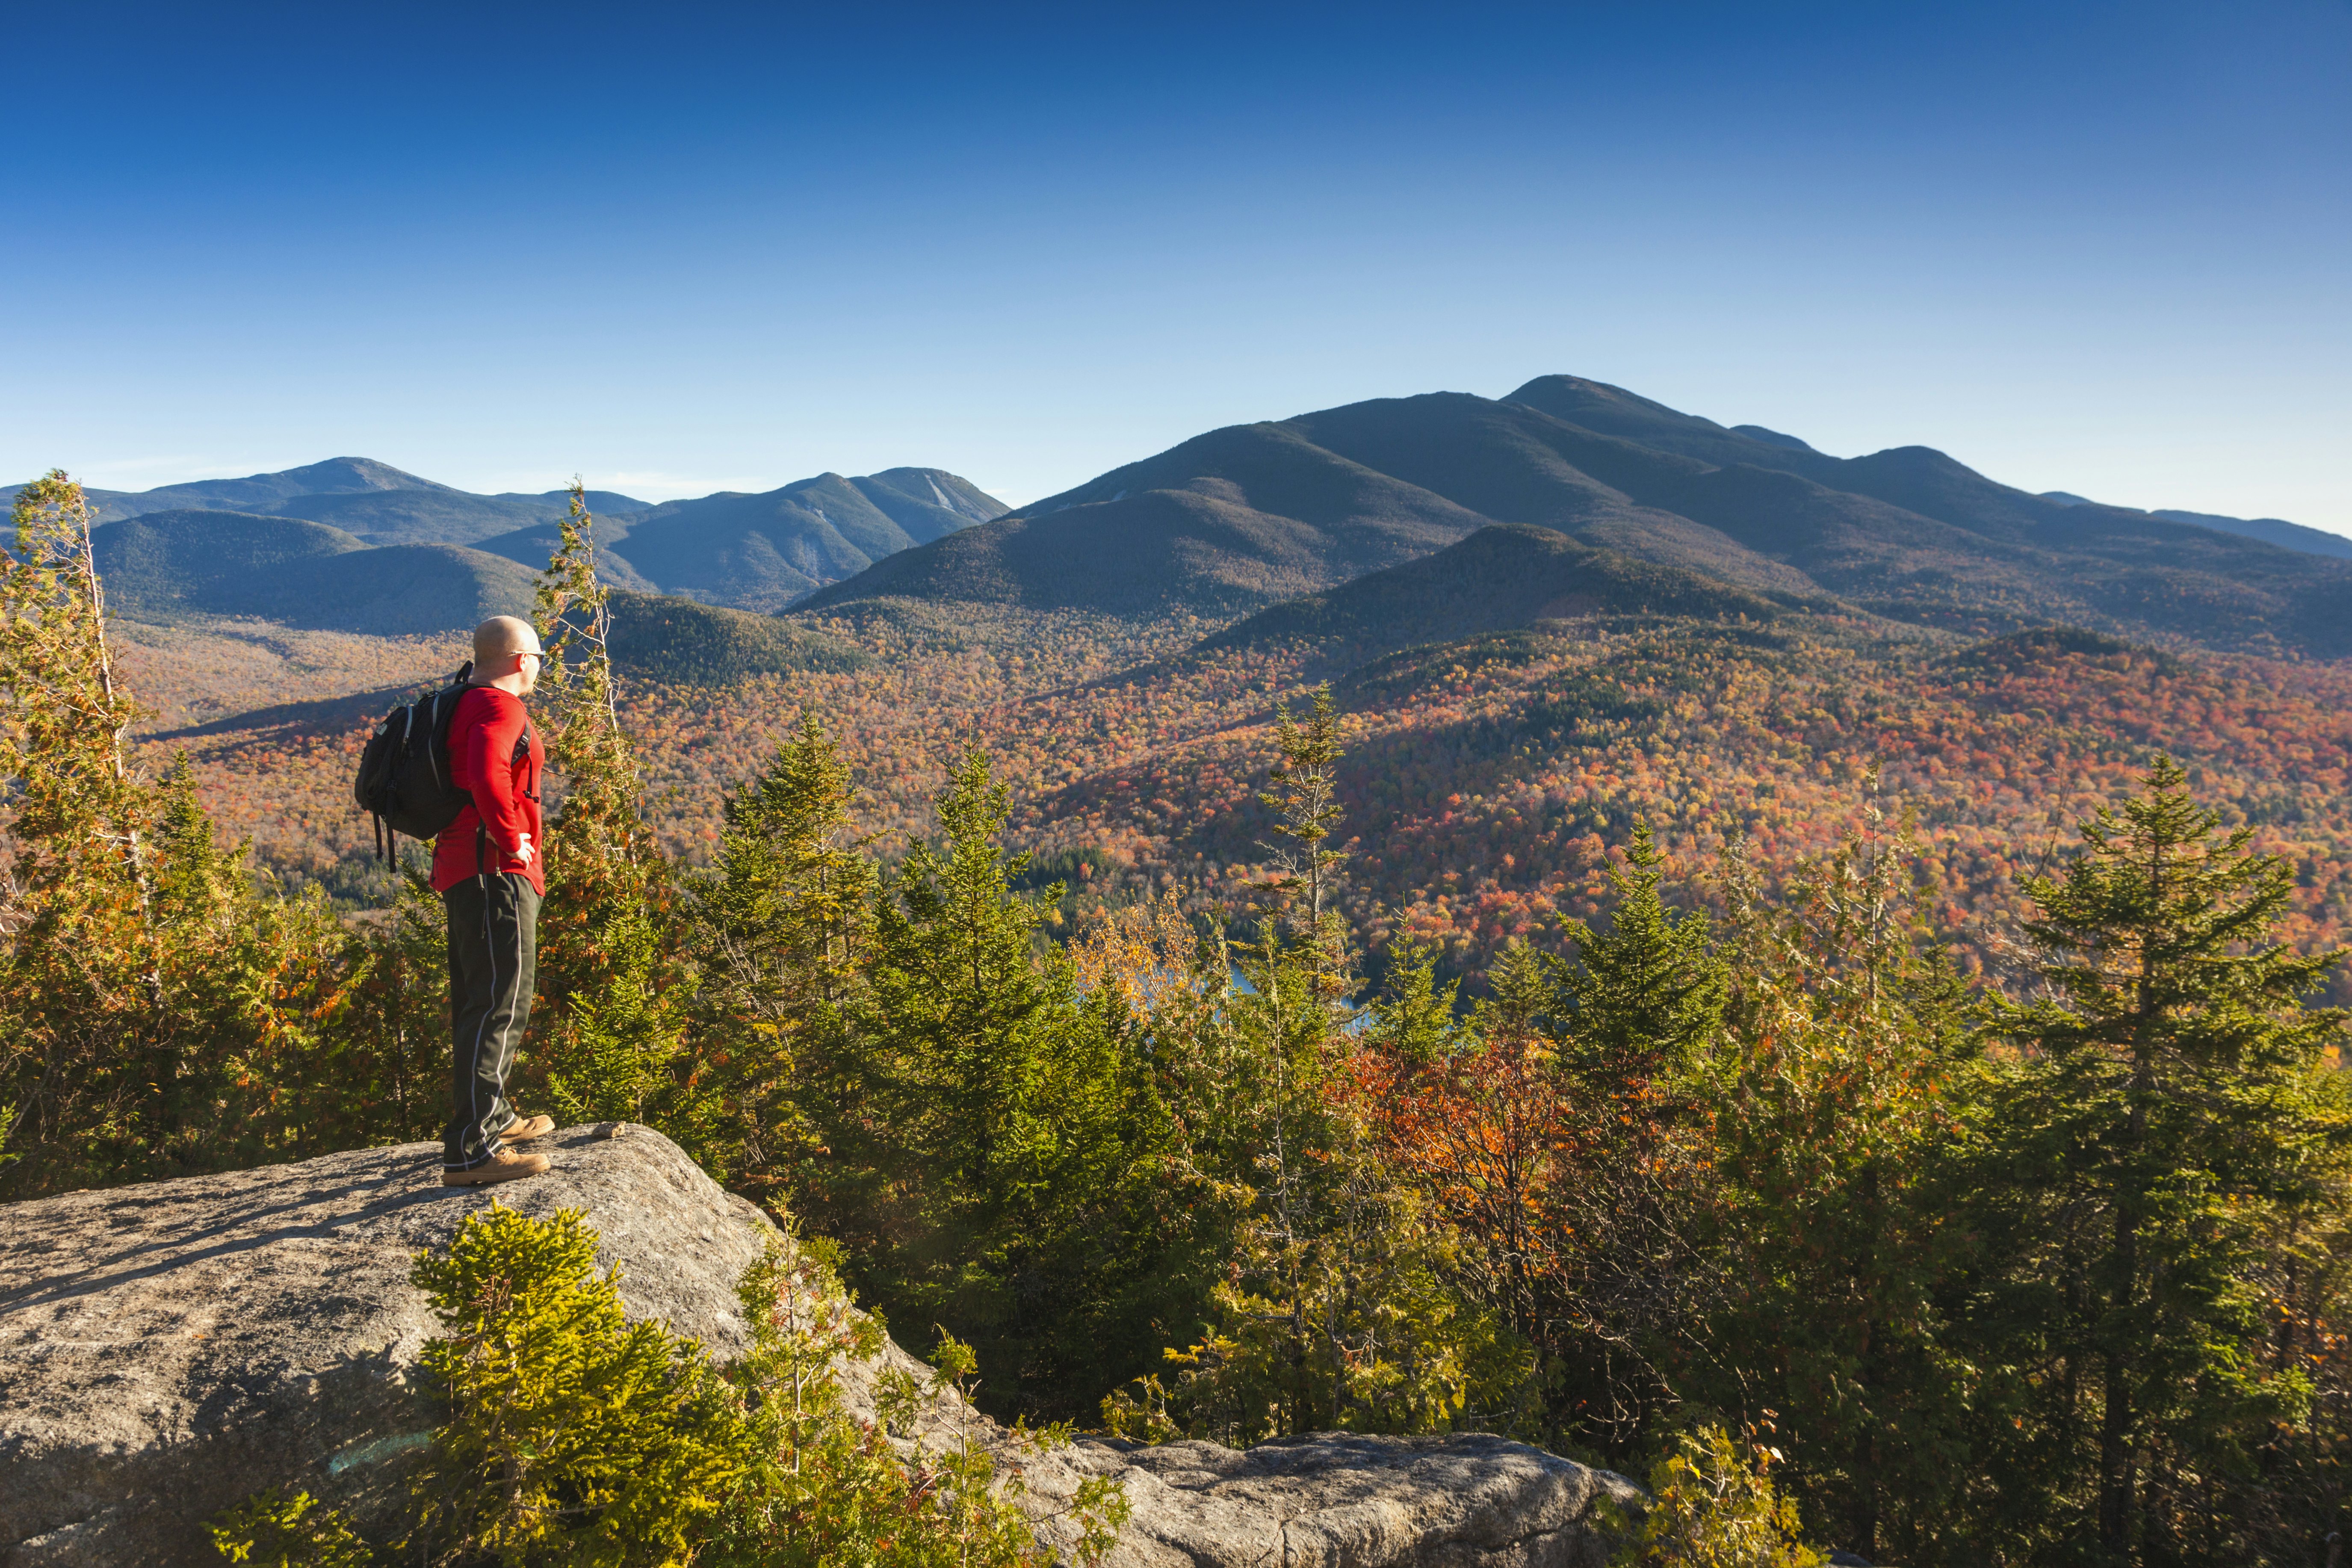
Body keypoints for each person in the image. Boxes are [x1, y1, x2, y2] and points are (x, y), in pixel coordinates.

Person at [434, 615, 555, 1186]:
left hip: (467, 869)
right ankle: (470, 1149)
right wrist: (513, 839)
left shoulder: (463, 700)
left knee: (481, 1001)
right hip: (493, 873)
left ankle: (494, 1116)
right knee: (501, 1002)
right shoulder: (499, 707)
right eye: (538, 657)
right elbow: (487, 771)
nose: (539, 667)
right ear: (519, 661)